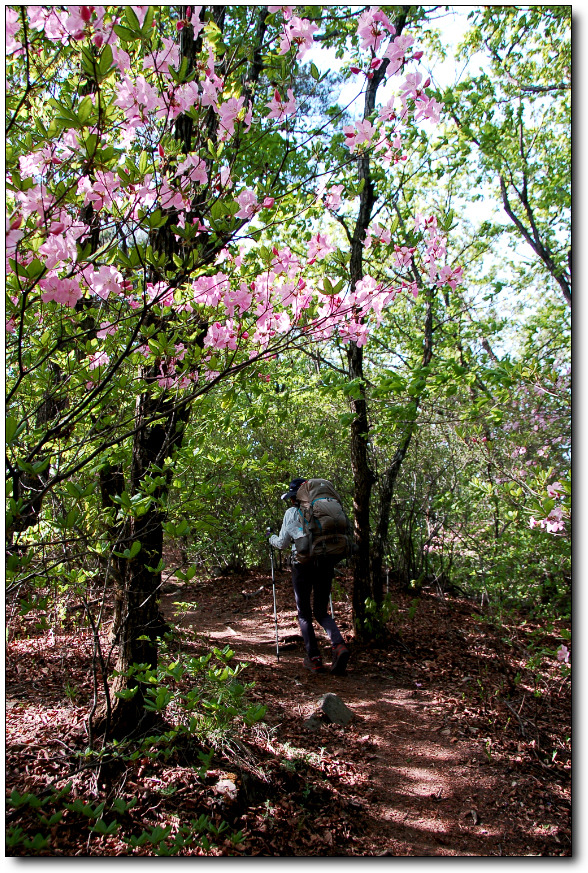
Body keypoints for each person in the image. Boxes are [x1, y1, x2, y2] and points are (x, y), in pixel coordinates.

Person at [268, 477, 350, 675]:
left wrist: (270, 538)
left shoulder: (291, 513)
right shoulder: (320, 511)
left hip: (302, 565)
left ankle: (314, 658)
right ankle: (339, 645)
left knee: (304, 613)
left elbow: (282, 543)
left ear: (294, 498)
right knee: (321, 612)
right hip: (325, 562)